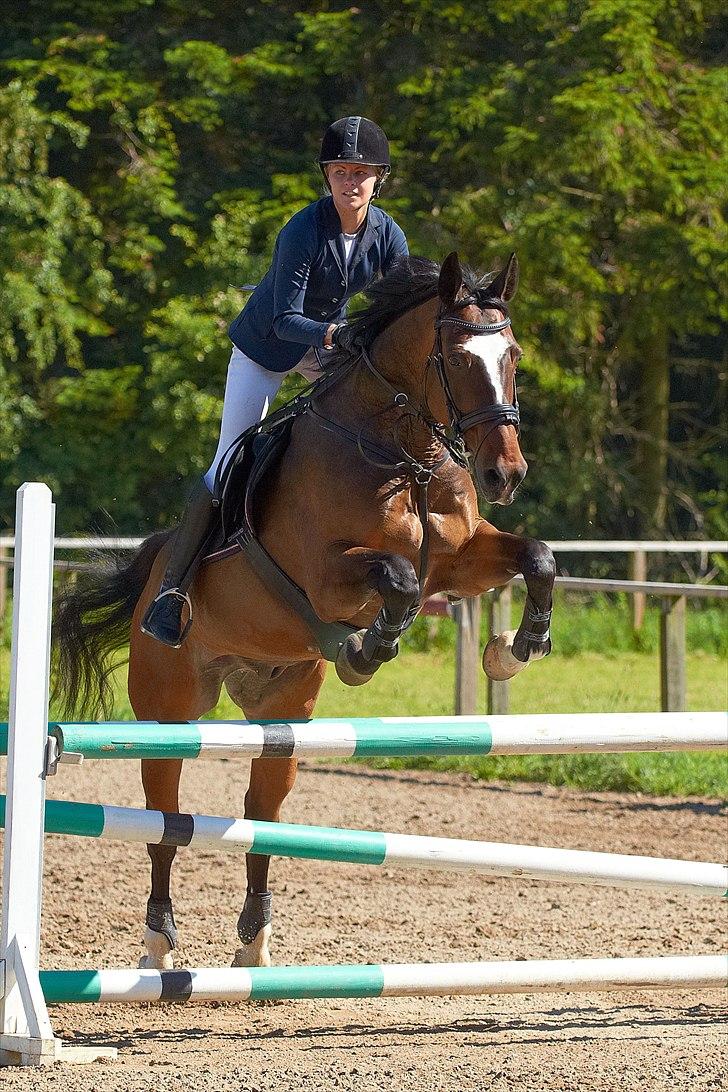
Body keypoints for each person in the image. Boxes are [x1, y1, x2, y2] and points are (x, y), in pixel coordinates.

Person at [142, 116, 409, 646]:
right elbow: (285, 318)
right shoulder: (302, 230)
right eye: (339, 171)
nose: (349, 182)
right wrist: (335, 336)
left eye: (360, 172)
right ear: (326, 177)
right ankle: (171, 592)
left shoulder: (389, 235)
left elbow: (397, 307)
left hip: (329, 350)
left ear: (379, 178)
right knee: (227, 464)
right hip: (268, 348)